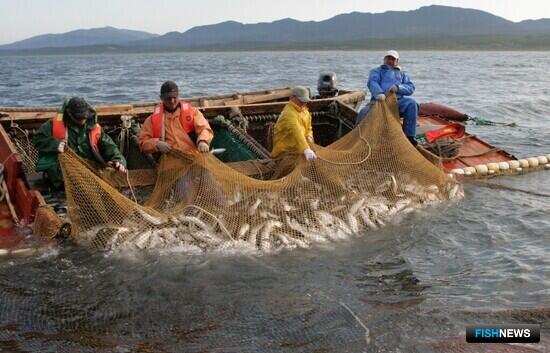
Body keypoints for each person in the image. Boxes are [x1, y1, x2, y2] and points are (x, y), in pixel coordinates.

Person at [33, 97, 127, 190]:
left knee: (111, 173)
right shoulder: (53, 124)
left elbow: (110, 146)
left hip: (90, 169)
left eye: (84, 117)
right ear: (69, 113)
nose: (82, 119)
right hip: (63, 172)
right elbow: (37, 139)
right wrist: (55, 144)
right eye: (79, 117)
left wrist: (118, 160)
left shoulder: (94, 127)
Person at [357, 50, 418, 145]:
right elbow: (372, 82)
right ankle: (359, 138)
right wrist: (379, 93)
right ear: (384, 59)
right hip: (379, 101)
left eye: (392, 59)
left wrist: (398, 88)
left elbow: (410, 87)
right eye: (388, 58)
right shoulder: (376, 71)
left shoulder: (402, 74)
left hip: (398, 101)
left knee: (412, 104)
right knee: (363, 112)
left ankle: (409, 137)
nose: (390, 60)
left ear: (397, 61)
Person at [138, 80, 213, 155]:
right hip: (169, 159)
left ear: (178, 95)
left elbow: (205, 129)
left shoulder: (193, 112)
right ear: (161, 98)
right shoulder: (152, 120)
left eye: (174, 97)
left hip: (193, 156)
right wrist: (156, 144)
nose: (172, 101)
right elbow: (143, 143)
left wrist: (202, 141)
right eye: (168, 98)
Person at [271, 86, 316, 160]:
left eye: (305, 101)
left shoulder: (305, 111)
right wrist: (306, 149)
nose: (303, 103)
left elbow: (309, 129)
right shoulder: (288, 113)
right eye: (301, 100)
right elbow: (296, 131)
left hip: (300, 150)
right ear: (292, 97)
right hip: (284, 152)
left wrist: (309, 137)